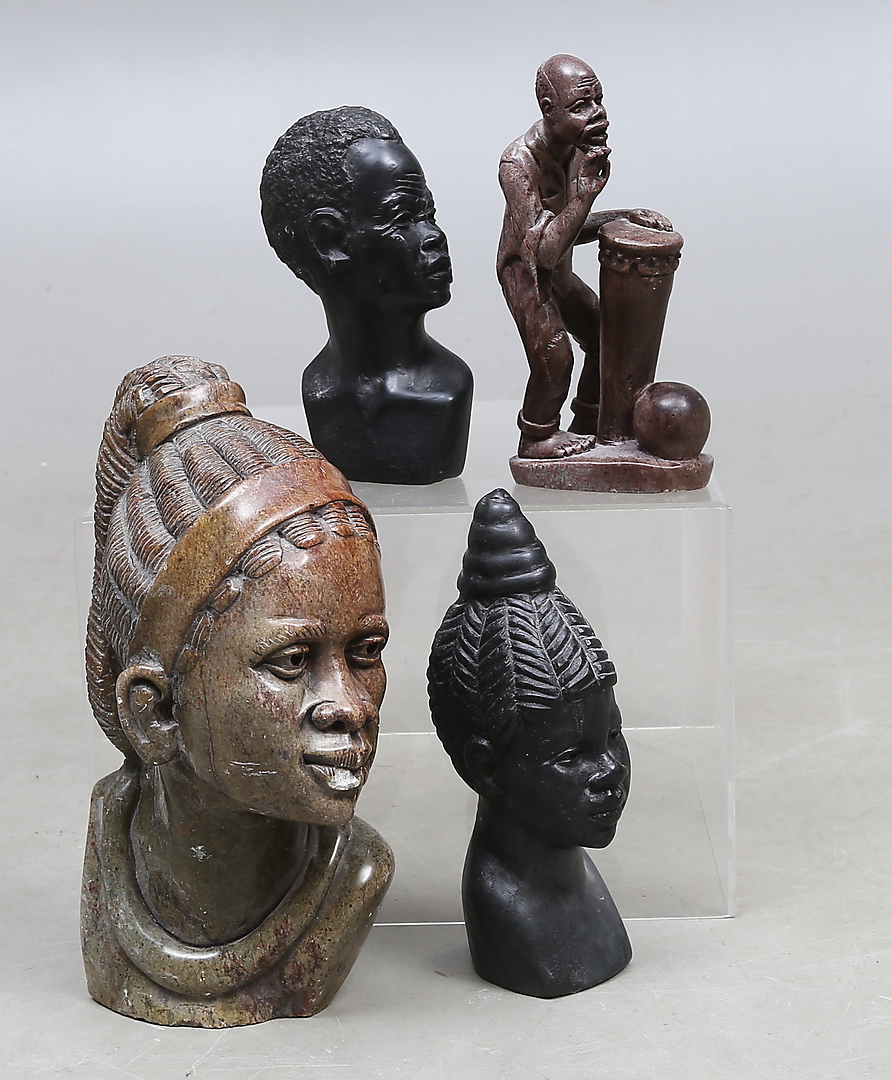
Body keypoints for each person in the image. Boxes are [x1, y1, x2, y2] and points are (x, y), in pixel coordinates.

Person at [82, 355, 393, 1027]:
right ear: (156, 711)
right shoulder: (110, 836)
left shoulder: (358, 871)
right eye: (291, 661)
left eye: (365, 652)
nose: (352, 705)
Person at [428, 489, 632, 997]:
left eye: (613, 736)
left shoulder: (573, 863)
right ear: (487, 769)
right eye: (571, 756)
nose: (610, 770)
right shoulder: (507, 907)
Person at [262, 107, 472, 485]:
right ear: (330, 242)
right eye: (402, 218)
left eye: (429, 215)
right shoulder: (320, 390)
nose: (434, 236)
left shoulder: (450, 387)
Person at [498, 54, 671, 459]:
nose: (597, 113)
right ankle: (537, 436)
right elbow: (542, 252)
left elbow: (567, 231)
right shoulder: (518, 163)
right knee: (555, 356)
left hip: (558, 271)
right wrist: (585, 197)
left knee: (603, 336)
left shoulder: (578, 147)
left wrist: (622, 214)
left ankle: (591, 420)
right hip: (528, 277)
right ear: (548, 110)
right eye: (580, 106)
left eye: (599, 100)